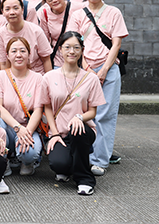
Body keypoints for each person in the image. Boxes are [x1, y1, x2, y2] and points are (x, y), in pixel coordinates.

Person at [67, 0, 128, 177]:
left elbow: (116, 44)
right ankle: (80, 155)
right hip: (84, 70)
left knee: (105, 115)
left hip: (108, 69)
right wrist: (87, 68)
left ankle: (100, 160)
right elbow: (74, 44)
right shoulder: (77, 14)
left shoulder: (113, 12)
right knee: (81, 112)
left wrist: (103, 70)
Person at [39, 31, 106, 196]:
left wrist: (79, 117)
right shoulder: (49, 77)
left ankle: (84, 180)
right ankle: (72, 165)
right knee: (59, 165)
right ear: (60, 49)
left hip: (83, 131)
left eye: (76, 47)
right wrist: (54, 134)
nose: (72, 51)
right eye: (67, 47)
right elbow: (47, 107)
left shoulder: (91, 79)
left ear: (82, 50)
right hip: (59, 132)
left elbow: (93, 112)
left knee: (78, 131)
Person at [0, 37, 44, 176]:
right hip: (7, 126)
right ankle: (3, 159)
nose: (18, 55)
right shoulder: (0, 76)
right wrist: (17, 128)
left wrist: (26, 132)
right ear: (7, 55)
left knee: (30, 153)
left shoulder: (38, 78)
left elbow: (38, 110)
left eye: (22, 51)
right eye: (14, 51)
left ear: (29, 54)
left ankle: (27, 162)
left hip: (28, 126)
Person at [0, 0, 53, 75]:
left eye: (16, 8)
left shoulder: (36, 30)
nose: (12, 12)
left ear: (22, 10)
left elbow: (46, 59)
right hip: (14, 78)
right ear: (3, 12)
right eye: (7, 9)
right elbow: (3, 63)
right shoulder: (0, 34)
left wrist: (48, 80)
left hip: (37, 75)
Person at [37, 0, 76, 68]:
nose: (54, 0)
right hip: (58, 61)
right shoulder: (45, 13)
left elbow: (84, 35)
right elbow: (45, 40)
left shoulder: (75, 9)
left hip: (77, 58)